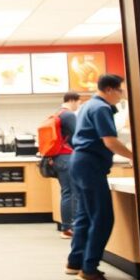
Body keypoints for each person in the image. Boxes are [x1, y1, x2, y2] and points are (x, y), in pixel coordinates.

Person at [66, 74, 134, 280]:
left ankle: (75, 261)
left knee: (85, 215)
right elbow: (110, 141)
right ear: (110, 89)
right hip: (90, 165)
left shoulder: (87, 105)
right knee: (103, 218)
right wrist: (135, 157)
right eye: (120, 91)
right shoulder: (101, 108)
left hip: (80, 162)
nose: (121, 95)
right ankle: (90, 270)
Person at [54, 92, 82, 239]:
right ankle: (70, 228)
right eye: (79, 102)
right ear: (72, 100)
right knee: (72, 193)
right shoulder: (69, 115)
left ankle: (66, 227)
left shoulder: (58, 113)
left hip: (59, 158)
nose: (79, 105)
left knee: (67, 192)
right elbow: (79, 136)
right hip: (67, 157)